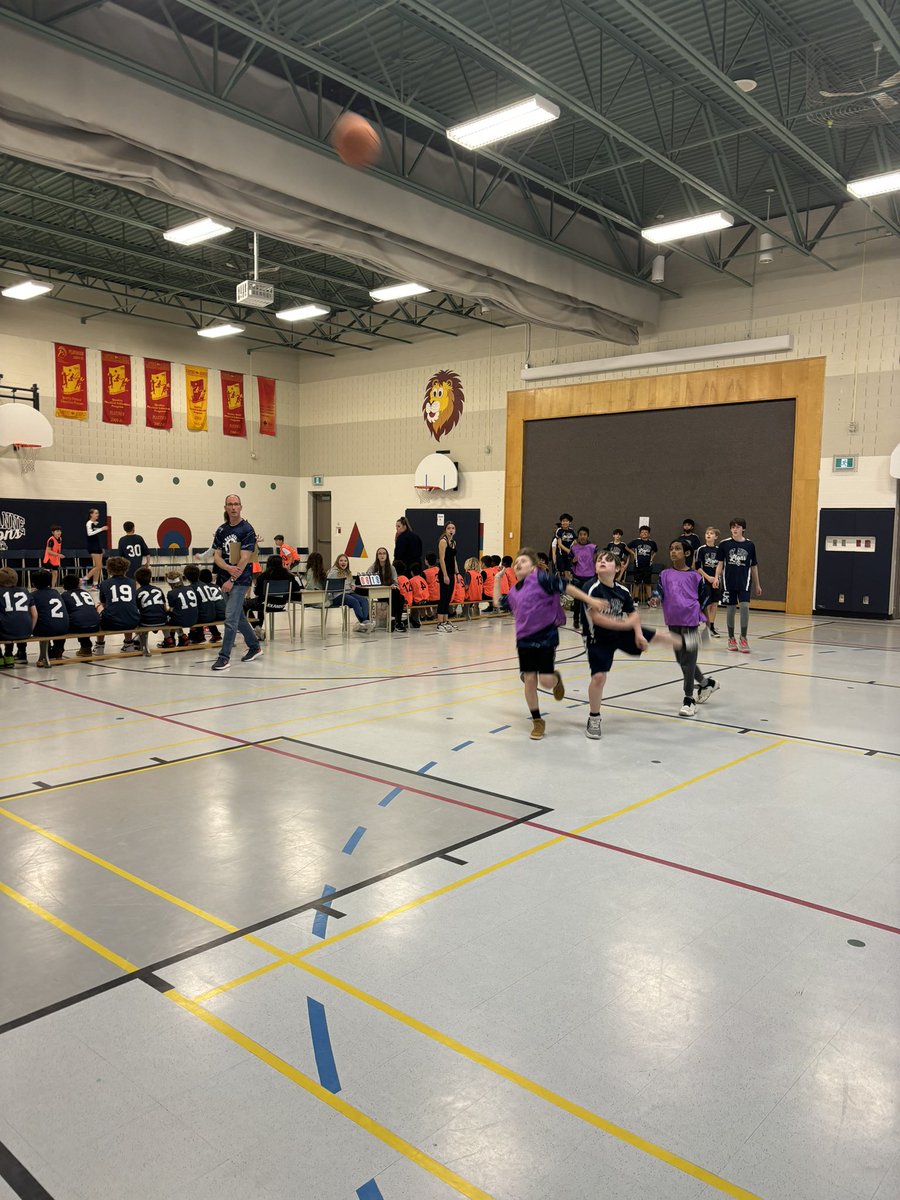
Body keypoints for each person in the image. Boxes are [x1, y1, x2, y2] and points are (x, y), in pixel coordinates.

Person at [495, 547, 609, 741]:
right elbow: (498, 602)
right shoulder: (515, 591)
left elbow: (567, 588)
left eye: (523, 561)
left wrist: (590, 600)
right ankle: (537, 721)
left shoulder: (542, 579)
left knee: (545, 682)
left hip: (546, 636)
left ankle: (555, 679)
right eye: (516, 563)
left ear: (532, 568)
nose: (518, 564)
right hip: (524, 640)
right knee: (529, 679)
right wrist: (497, 580)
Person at [580, 551, 696, 739]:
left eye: (608, 560)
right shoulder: (591, 588)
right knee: (599, 677)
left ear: (618, 568)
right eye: (599, 560)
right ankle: (594, 717)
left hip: (619, 630)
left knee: (656, 635)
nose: (602, 562)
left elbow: (633, 614)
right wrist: (625, 625)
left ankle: (690, 642)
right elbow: (597, 618)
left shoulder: (622, 591)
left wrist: (639, 634)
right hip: (597, 638)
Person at [651, 541, 719, 718]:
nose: (673, 552)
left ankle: (689, 699)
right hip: (672, 622)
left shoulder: (696, 576)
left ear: (686, 553)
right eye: (671, 549)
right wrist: (655, 600)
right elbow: (658, 592)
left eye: (677, 549)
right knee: (681, 660)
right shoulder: (665, 574)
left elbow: (704, 600)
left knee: (688, 660)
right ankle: (706, 683)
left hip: (690, 622)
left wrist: (707, 624)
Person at [210, 494, 263, 671]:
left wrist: (233, 578)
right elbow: (216, 555)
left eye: (236, 504)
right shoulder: (221, 530)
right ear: (225, 508)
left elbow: (245, 558)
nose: (233, 507)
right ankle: (254, 646)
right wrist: (226, 569)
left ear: (241, 507)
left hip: (240, 581)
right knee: (239, 617)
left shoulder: (247, 529)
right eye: (230, 504)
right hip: (225, 578)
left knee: (230, 618)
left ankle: (224, 657)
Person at [715, 518, 762, 653]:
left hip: (744, 582)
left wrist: (758, 584)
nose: (735, 529)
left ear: (743, 529)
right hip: (728, 582)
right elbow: (720, 563)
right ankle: (731, 638)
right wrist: (716, 577)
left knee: (744, 607)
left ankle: (743, 637)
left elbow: (754, 566)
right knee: (730, 609)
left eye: (738, 527)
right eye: (733, 527)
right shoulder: (724, 544)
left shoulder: (750, 545)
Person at [95, 556, 141, 654]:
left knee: (99, 607)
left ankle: (99, 646)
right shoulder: (133, 582)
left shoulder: (104, 583)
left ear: (109, 569)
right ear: (126, 568)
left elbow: (103, 603)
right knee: (126, 608)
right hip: (133, 621)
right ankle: (129, 643)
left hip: (112, 623)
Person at [29, 570, 69, 666]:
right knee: (57, 620)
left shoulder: (33, 595)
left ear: (33, 583)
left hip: (45, 629)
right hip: (64, 628)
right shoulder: (56, 592)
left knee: (44, 620)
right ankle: (58, 649)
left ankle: (45, 653)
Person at [326, 554, 374, 631]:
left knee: (364, 600)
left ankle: (365, 621)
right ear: (337, 562)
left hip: (349, 593)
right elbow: (328, 584)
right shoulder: (333, 572)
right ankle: (363, 622)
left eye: (345, 561)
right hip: (338, 595)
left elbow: (352, 582)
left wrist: (353, 585)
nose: (343, 562)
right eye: (341, 560)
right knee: (354, 601)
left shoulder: (348, 572)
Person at [61, 573, 101, 659]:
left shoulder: (64, 595)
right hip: (97, 624)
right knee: (84, 616)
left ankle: (58, 649)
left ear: (64, 586)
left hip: (79, 626)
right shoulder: (86, 593)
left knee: (67, 622)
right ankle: (86, 647)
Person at [0, 566, 32, 667]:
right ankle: (11, 654)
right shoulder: (25, 591)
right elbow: (34, 614)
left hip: (6, 631)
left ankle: (0, 657)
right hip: (25, 631)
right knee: (16, 619)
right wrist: (30, 629)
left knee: (7, 621)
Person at [371, 546, 407, 632]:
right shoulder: (373, 567)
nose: (382, 555)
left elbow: (395, 582)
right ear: (377, 556)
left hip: (391, 592)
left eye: (384, 553)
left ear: (387, 555)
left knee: (399, 597)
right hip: (379, 593)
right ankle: (396, 622)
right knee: (398, 597)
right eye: (380, 554)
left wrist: (394, 585)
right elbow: (368, 578)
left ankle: (394, 620)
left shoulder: (391, 568)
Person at [694, 527, 722, 637]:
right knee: (706, 604)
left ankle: (711, 627)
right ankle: (695, 623)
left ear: (716, 537)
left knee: (715, 604)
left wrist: (715, 578)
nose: (708, 535)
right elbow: (697, 567)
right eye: (707, 533)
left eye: (711, 533)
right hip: (704, 580)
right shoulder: (701, 549)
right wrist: (707, 577)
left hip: (715, 580)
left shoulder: (719, 550)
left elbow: (721, 565)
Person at [569, 526, 597, 632]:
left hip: (590, 576)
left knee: (589, 600)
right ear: (578, 536)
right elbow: (569, 561)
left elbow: (597, 559)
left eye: (584, 534)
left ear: (587, 536)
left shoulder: (593, 547)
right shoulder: (574, 548)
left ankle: (589, 620)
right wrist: (573, 561)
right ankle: (576, 619)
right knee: (577, 600)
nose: (582, 536)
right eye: (580, 534)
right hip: (577, 576)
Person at [134, 567, 168, 644]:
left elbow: (135, 610)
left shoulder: (137, 592)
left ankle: (140, 641)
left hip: (146, 622)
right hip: (162, 621)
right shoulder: (158, 589)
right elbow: (165, 608)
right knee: (164, 614)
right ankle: (168, 638)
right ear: (150, 578)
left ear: (137, 580)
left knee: (136, 617)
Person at [627, 525, 658, 606]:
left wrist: (652, 557)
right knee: (637, 583)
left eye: (646, 532)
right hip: (638, 565)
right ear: (640, 533)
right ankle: (636, 600)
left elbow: (655, 551)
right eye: (642, 532)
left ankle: (649, 600)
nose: (644, 533)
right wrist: (633, 553)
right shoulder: (636, 541)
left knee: (648, 583)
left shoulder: (652, 543)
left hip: (648, 565)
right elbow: (627, 547)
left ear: (649, 534)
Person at [436, 522, 458, 632]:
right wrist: (445, 575)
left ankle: (445, 620)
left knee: (448, 597)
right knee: (443, 597)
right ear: (445, 530)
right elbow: (442, 559)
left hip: (451, 573)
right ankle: (440, 622)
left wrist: (457, 573)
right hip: (444, 573)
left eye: (453, 528)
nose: (451, 530)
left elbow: (454, 559)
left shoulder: (453, 543)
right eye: (449, 528)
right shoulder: (443, 541)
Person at [198, 568, 225, 643]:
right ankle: (216, 634)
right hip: (225, 612)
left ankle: (200, 636)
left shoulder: (203, 588)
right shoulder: (216, 586)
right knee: (209, 610)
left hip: (217, 614)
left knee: (202, 612)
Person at [182, 564, 207, 644]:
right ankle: (199, 635)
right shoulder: (204, 584)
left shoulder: (190, 588)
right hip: (211, 612)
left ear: (186, 577)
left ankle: (194, 636)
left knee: (191, 611)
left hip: (201, 616)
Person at [84, 507, 108, 588]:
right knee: (98, 566)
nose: (98, 514)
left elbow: (96, 536)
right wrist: (101, 529)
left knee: (98, 566)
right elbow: (90, 534)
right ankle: (84, 579)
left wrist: (101, 548)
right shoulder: (89, 523)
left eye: (98, 513)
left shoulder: (95, 524)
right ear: (91, 514)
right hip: (92, 547)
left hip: (97, 546)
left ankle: (95, 584)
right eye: (96, 513)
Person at [551, 513, 575, 578]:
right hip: (561, 555)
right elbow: (559, 544)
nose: (565, 523)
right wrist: (567, 550)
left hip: (569, 555)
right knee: (561, 573)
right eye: (563, 521)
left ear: (570, 522)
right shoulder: (559, 531)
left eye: (566, 521)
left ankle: (567, 586)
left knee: (568, 572)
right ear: (561, 522)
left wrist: (572, 550)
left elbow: (575, 541)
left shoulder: (571, 531)